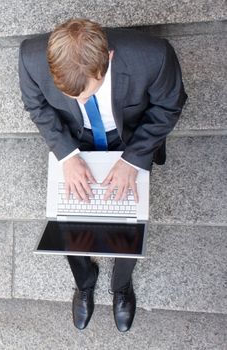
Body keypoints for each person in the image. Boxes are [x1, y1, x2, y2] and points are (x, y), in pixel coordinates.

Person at [18, 19, 187, 332]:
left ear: (107, 57)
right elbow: (36, 105)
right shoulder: (30, 56)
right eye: (71, 95)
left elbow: (170, 105)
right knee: (66, 218)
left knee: (130, 221)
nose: (81, 102)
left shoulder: (154, 56)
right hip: (75, 141)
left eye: (87, 92)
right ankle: (85, 280)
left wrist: (133, 161)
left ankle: (121, 284)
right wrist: (67, 156)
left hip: (129, 138)